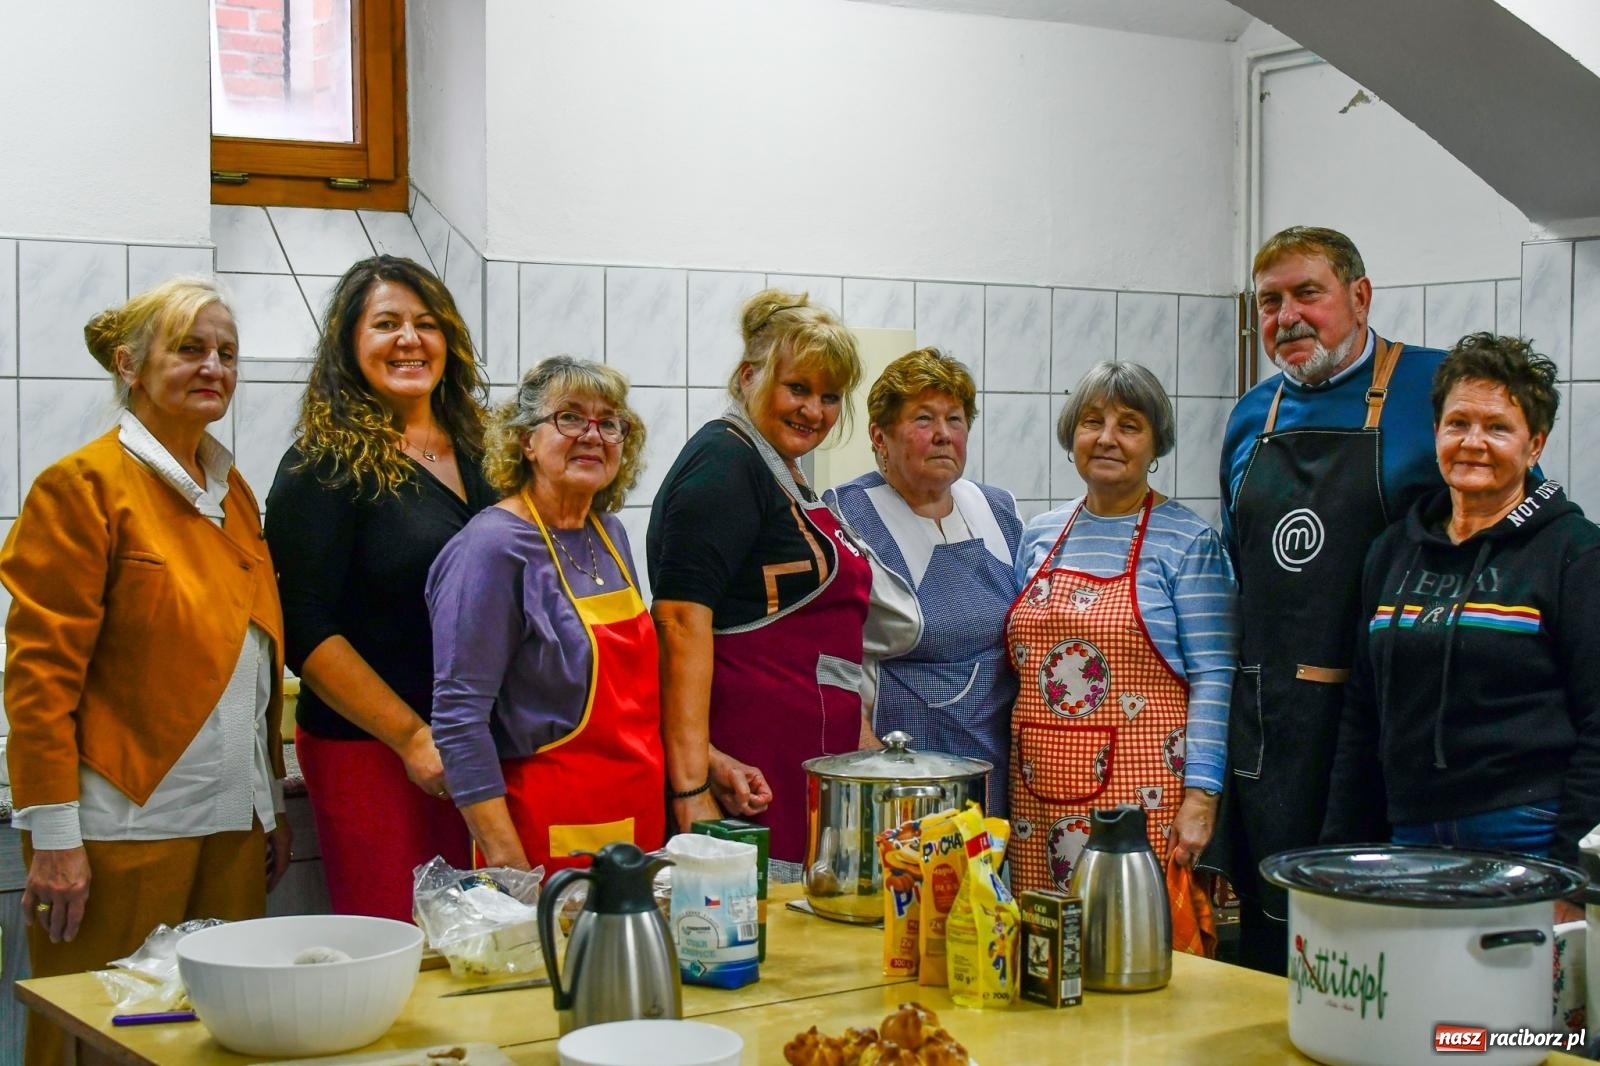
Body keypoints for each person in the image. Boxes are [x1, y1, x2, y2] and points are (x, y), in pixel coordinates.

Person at [4, 279, 289, 1066]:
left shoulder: (233, 492)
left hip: (232, 821)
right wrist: (54, 838)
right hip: (120, 825)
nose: (214, 367)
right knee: (96, 1034)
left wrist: (267, 799)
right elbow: (39, 678)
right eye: (190, 349)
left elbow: (252, 653)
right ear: (129, 365)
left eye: (227, 353)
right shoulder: (83, 485)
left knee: (219, 1040)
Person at [1203, 226, 1449, 974]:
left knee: (1373, 954)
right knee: (1275, 950)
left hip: (1387, 721)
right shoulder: (1252, 416)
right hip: (1272, 727)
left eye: (1308, 293)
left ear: (1360, 296)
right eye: (1269, 302)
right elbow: (1242, 570)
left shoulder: (1436, 389)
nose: (1287, 317)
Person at [648, 288, 917, 874]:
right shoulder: (724, 463)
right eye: (798, 388)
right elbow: (679, 621)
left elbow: (825, 643)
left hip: (812, 768)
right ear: (749, 377)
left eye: (830, 397)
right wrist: (692, 786)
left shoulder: (781, 471)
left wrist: (862, 740)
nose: (814, 411)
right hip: (754, 776)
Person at [1323, 334, 1600, 899]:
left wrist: (1573, 879)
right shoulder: (1392, 552)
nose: (1474, 442)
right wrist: (1340, 855)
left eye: (1497, 427)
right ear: (1436, 433)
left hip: (1528, 835)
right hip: (1409, 835)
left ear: (1535, 445)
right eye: (1458, 424)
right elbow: (1362, 715)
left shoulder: (1575, 553)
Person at [265, 255, 493, 920]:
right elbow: (303, 625)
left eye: (427, 323)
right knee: (400, 941)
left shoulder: (487, 448)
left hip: (482, 744)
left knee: (491, 944)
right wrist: (412, 737)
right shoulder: (321, 464)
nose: (409, 340)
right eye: (386, 324)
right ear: (349, 343)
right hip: (373, 752)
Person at [1007, 361, 1237, 894]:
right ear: (1072, 435)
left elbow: (1215, 677)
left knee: (1134, 933)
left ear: (1155, 445)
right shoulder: (1040, 535)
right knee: (1044, 934)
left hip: (1146, 799)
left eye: (1129, 425)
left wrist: (1202, 798)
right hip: (1036, 797)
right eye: (1092, 422)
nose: (1107, 438)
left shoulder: (1189, 542)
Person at [427, 357, 665, 872]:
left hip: (637, 817)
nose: (593, 435)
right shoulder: (491, 549)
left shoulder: (609, 533)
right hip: (542, 832)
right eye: (570, 417)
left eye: (609, 422)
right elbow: (459, 720)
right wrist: (508, 863)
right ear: (526, 441)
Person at [824, 348, 1020, 816]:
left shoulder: (998, 509)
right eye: (923, 419)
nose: (943, 435)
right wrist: (870, 767)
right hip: (900, 766)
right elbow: (830, 657)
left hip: (999, 762)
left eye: (955, 419)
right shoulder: (846, 516)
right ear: (880, 436)